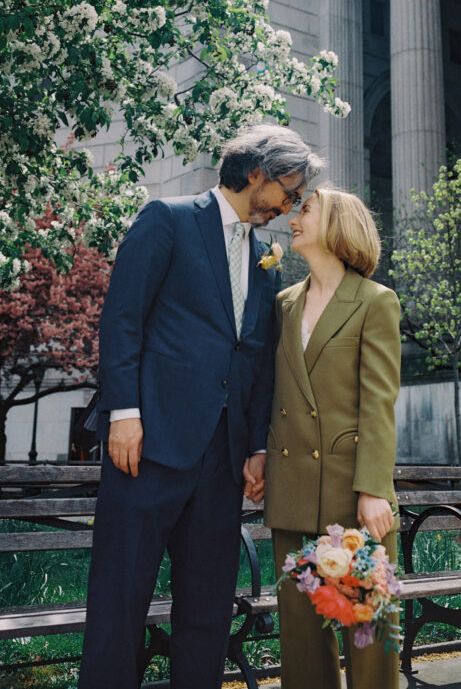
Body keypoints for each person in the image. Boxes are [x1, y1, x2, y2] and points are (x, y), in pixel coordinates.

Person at [77, 125, 323, 689]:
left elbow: (256, 356)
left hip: (223, 460)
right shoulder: (167, 219)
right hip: (147, 446)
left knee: (209, 609)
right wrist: (124, 414)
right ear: (256, 171)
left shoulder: (267, 257)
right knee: (120, 601)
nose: (291, 204)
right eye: (289, 188)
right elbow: (122, 320)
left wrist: (257, 446)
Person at [263, 186, 401, 689]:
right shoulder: (283, 303)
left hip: (354, 495)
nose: (294, 218)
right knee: (301, 647)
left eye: (306, 210)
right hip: (291, 489)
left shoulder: (375, 301)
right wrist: (259, 454)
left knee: (368, 643)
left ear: (337, 225)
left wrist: (373, 488)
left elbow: (379, 403)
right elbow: (269, 391)